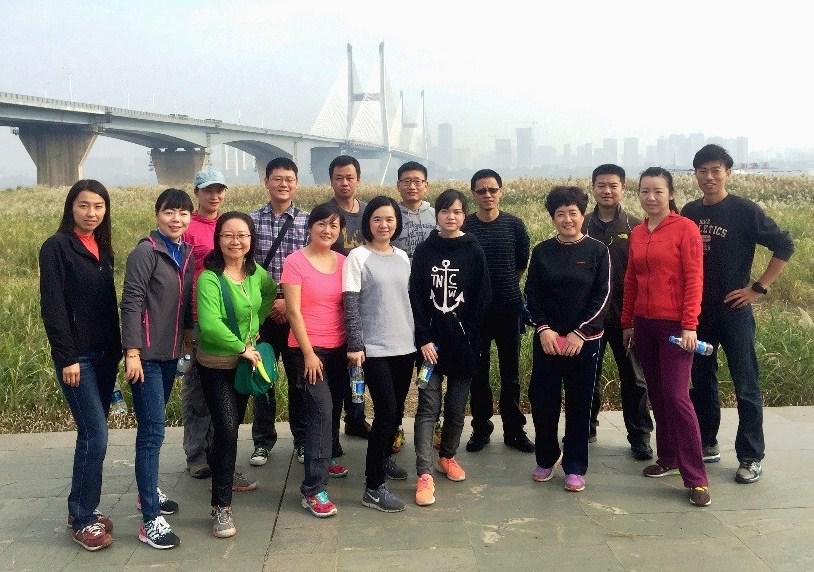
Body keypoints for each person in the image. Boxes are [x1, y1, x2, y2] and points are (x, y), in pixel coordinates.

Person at [682, 144, 794, 483]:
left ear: (727, 172)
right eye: (703, 171)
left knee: (746, 383)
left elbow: (784, 245)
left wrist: (757, 288)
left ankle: (751, 455)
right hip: (699, 314)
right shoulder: (689, 211)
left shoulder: (745, 210)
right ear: (695, 175)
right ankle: (707, 442)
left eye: (716, 170)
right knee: (701, 380)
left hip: (734, 311)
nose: (709, 177)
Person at [621, 167, 711, 507]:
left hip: (675, 326)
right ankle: (668, 457)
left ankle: (696, 478)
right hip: (644, 324)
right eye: (645, 191)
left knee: (676, 397)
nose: (651, 197)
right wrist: (628, 322)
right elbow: (631, 279)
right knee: (657, 394)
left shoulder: (685, 228)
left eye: (658, 191)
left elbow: (694, 278)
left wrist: (690, 325)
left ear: (671, 194)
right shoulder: (638, 232)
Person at [39, 180, 120, 552]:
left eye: (98, 206)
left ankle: (82, 509)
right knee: (95, 435)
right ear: (71, 207)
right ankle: (84, 518)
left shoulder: (103, 247)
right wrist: (67, 357)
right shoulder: (57, 247)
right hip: (78, 359)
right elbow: (53, 306)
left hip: (106, 356)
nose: (91, 213)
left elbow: (106, 304)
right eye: (84, 205)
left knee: (90, 435)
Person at [121, 188, 195, 548]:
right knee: (152, 432)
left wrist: (187, 339)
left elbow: (185, 302)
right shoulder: (145, 252)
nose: (176, 219)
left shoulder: (186, 252)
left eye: (183, 213)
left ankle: (146, 490)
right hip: (146, 357)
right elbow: (131, 301)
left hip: (169, 355)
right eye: (169, 212)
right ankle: (150, 518)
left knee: (155, 426)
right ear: (157, 215)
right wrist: (132, 351)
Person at [196, 211, 276, 538]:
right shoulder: (209, 278)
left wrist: (256, 326)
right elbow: (210, 324)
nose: (235, 241)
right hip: (217, 364)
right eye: (228, 235)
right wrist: (241, 346)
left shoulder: (255, 273)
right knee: (228, 428)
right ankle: (221, 506)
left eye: (242, 235)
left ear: (251, 239)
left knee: (229, 427)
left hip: (244, 364)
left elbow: (269, 293)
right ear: (218, 239)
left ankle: (224, 471)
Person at [525, 186, 610, 494]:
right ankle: (547, 458)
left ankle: (574, 466)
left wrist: (580, 333)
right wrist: (544, 329)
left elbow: (603, 296)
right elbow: (531, 294)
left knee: (580, 404)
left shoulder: (597, 251)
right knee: (543, 401)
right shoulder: (542, 251)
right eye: (560, 214)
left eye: (573, 213)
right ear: (553, 218)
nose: (567, 219)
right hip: (548, 340)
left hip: (583, 343)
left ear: (582, 215)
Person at [409, 189, 491, 507]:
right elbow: (417, 297)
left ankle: (447, 455)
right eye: (445, 211)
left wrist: (472, 338)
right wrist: (423, 338)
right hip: (430, 347)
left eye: (457, 211)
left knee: (456, 408)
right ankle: (424, 473)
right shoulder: (425, 250)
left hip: (464, 345)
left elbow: (482, 298)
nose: (451, 217)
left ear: (464, 215)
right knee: (428, 408)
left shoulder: (474, 251)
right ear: (437, 215)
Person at [344, 196, 416, 513]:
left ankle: (385, 458)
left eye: (389, 219)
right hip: (374, 349)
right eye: (377, 219)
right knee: (385, 412)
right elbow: (351, 306)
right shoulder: (357, 257)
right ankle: (373, 487)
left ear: (396, 223)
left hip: (405, 345)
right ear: (368, 223)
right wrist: (355, 345)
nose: (383, 225)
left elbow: (408, 301)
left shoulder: (402, 257)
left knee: (396, 410)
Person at [281, 203, 350, 518]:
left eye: (334, 226)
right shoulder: (295, 262)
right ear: (310, 226)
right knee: (320, 412)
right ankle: (313, 489)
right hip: (308, 350)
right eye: (322, 223)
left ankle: (324, 457)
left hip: (339, 348)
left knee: (333, 407)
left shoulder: (344, 262)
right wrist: (308, 353)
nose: (327, 230)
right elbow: (293, 312)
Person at [583, 164, 654, 460]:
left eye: (613, 185)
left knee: (635, 379)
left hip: (626, 318)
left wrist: (635, 317)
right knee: (587, 376)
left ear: (623, 188)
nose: (607, 191)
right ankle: (585, 428)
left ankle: (640, 436)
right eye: (601, 185)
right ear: (593, 188)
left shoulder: (637, 227)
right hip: (590, 318)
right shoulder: (582, 224)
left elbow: (645, 274)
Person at [463, 169, 533, 454]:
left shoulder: (514, 225)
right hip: (475, 313)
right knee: (478, 375)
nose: (488, 195)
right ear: (473, 194)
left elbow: (520, 263)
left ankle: (514, 430)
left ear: (501, 192)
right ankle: (481, 428)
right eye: (481, 191)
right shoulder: (466, 226)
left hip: (508, 309)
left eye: (492, 190)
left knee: (511, 374)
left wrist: (503, 287)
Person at [249, 157, 310, 467]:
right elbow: (244, 267)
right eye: (277, 178)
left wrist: (288, 302)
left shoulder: (308, 222)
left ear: (296, 184)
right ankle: (262, 442)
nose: (283, 184)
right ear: (266, 182)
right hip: (263, 312)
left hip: (297, 310)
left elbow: (313, 266)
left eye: (289, 179)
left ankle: (302, 440)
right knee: (262, 378)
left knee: (300, 379)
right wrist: (269, 302)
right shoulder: (251, 221)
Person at [327, 155, 371, 441]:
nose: (345, 183)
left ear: (358, 179)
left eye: (350, 177)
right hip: (332, 299)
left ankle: (356, 418)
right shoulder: (326, 214)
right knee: (336, 366)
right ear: (331, 180)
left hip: (364, 299)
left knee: (359, 363)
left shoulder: (369, 213)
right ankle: (330, 429)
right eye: (339, 178)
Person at [392, 161, 436, 259]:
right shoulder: (390, 215)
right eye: (407, 181)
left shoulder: (436, 215)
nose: (412, 187)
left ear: (426, 186)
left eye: (417, 182)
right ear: (398, 185)